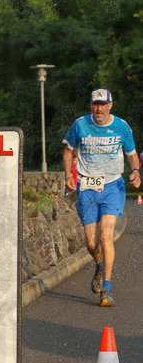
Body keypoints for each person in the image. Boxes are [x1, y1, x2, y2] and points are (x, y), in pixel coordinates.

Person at [63, 88, 141, 307]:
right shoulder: (80, 125)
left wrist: (135, 171)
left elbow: (132, 155)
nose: (98, 109)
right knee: (91, 243)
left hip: (112, 186)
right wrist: (69, 175)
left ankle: (106, 289)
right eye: (95, 104)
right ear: (91, 105)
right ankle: (99, 266)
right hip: (86, 186)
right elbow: (68, 151)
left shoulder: (121, 127)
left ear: (110, 105)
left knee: (106, 235)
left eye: (102, 104)